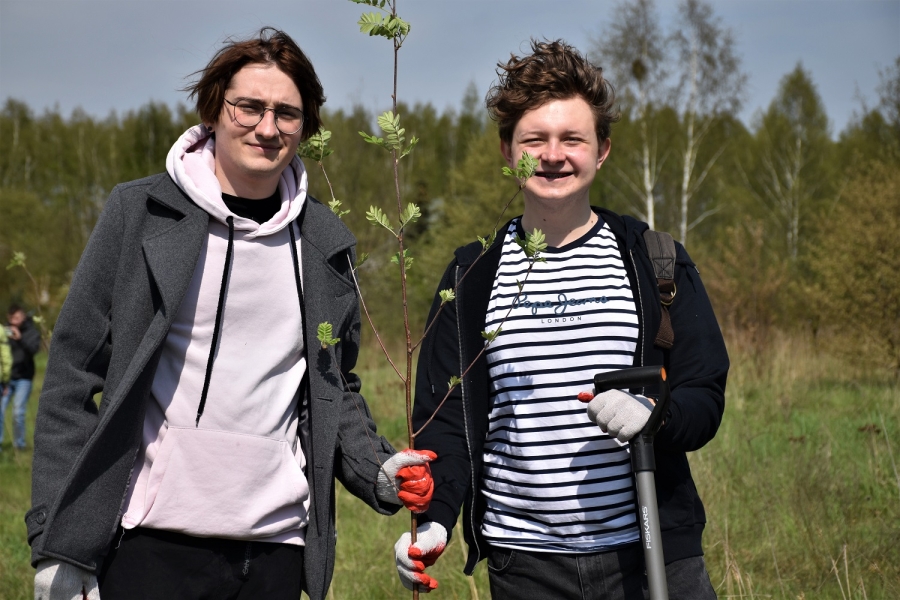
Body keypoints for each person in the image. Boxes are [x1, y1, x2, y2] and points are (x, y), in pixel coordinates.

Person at [29, 27, 434, 600]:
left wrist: (379, 469)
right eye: (249, 107)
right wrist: (56, 542)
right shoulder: (139, 214)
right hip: (148, 543)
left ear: (306, 127)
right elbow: (72, 376)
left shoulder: (326, 244)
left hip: (275, 551)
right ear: (214, 109)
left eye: (287, 114)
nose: (267, 128)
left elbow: (332, 390)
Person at [393, 40, 728, 599]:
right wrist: (434, 520)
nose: (553, 155)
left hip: (652, 553)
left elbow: (705, 394)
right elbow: (444, 420)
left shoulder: (655, 261)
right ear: (507, 151)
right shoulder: (471, 276)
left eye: (573, 138)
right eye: (534, 140)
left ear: (603, 150)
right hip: (525, 567)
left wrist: (656, 415)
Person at [1, 304, 41, 451]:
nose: (14, 321)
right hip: (6, 379)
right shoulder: (4, 331)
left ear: (23, 317)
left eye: (17, 318)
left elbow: (34, 350)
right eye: (12, 318)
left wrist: (20, 338)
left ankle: (20, 445)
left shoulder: (31, 331)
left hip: (24, 377)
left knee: (18, 412)